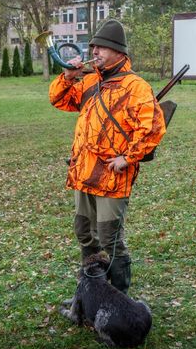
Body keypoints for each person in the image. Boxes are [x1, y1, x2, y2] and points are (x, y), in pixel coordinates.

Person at [49, 19, 166, 294]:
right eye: (93, 47)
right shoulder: (90, 81)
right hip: (83, 172)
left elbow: (152, 127)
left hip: (112, 177)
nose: (95, 52)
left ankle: (119, 296)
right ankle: (93, 292)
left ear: (118, 51)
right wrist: (68, 77)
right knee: (84, 233)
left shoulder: (136, 87)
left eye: (100, 47)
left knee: (109, 237)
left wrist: (128, 158)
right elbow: (59, 100)